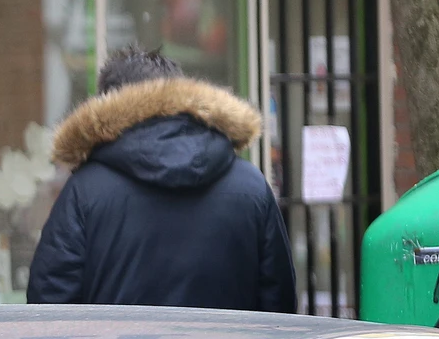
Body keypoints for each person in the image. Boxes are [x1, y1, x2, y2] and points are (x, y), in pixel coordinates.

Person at [27, 45, 295, 312]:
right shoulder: (250, 186)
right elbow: (280, 308)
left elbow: (49, 306)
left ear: (106, 107)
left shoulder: (85, 190)